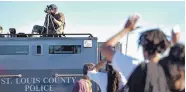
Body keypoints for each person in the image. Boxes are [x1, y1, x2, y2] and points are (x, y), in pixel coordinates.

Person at [100, 14, 170, 79]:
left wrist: (126, 30)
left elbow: (105, 48)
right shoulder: (171, 72)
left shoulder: (134, 67)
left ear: (144, 50)